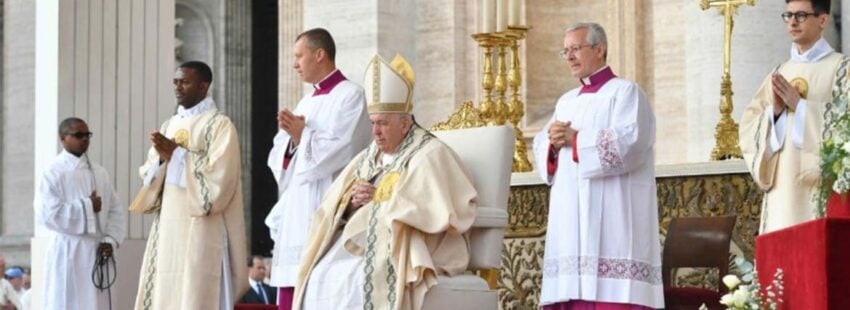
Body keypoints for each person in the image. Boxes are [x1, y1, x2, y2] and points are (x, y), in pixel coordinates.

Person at [292, 54, 478, 310]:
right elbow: (331, 206)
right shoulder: (368, 157)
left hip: (407, 245)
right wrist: (350, 203)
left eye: (383, 124)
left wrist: (381, 199)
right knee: (320, 275)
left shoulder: (430, 154)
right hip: (361, 243)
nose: (376, 132)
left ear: (405, 123)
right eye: (373, 123)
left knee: (354, 280)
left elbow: (440, 209)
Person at [532, 23, 663, 309]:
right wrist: (552, 145)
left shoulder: (626, 93)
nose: (569, 57)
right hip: (572, 223)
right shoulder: (566, 101)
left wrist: (577, 140)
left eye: (575, 49)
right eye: (565, 51)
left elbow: (631, 143)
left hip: (614, 219)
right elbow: (542, 148)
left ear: (599, 49)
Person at [264, 27, 370, 310]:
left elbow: (345, 149)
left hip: (327, 202)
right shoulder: (306, 101)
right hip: (298, 207)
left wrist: (301, 136)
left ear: (320, 54)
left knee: (318, 286)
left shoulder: (351, 95)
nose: (294, 64)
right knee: (290, 279)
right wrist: (291, 142)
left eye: (299, 56)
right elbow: (280, 153)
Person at [133, 61, 248, 309]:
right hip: (168, 225)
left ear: (203, 85)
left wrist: (178, 156)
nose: (177, 87)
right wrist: (164, 159)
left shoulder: (219, 125)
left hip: (203, 225)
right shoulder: (168, 125)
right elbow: (148, 173)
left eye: (184, 81)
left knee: (196, 288)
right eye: (175, 81)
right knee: (166, 285)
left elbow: (221, 178)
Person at [740, 0, 848, 233]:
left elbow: (845, 125)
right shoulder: (780, 72)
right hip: (782, 190)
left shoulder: (841, 68)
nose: (792, 22)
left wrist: (800, 107)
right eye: (788, 15)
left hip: (820, 189)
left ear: (822, 20)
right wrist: (776, 113)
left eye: (800, 15)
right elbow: (750, 125)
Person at [33, 117, 127, 310]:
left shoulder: (100, 173)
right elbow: (47, 214)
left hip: (97, 250)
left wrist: (110, 240)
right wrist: (86, 205)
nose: (84, 139)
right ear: (62, 138)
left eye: (87, 135)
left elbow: (115, 210)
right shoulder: (53, 172)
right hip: (68, 250)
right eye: (78, 135)